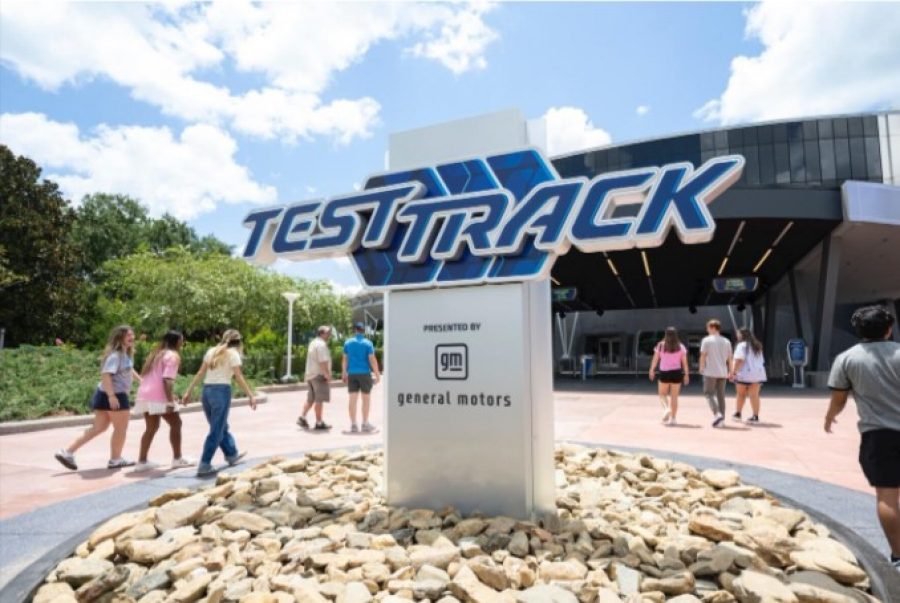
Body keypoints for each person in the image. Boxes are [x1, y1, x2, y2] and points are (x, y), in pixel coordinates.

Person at [824, 305, 900, 570]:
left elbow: (839, 399)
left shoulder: (846, 359)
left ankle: (899, 557)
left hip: (879, 436)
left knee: (887, 498)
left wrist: (829, 417)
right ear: (889, 329)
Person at [55, 325, 142, 470]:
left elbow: (129, 368)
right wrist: (112, 396)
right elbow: (106, 374)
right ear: (120, 338)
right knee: (121, 428)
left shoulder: (124, 354)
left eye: (132, 335)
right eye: (128, 336)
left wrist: (140, 380)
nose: (132, 338)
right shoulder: (116, 355)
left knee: (99, 428)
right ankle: (115, 459)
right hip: (115, 396)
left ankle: (67, 452)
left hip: (105, 394)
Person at [182, 330, 256, 477]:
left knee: (221, 426)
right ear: (239, 342)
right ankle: (204, 464)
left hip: (207, 391)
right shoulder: (233, 353)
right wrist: (250, 395)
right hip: (221, 392)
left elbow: (200, 372)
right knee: (216, 429)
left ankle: (231, 454)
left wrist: (188, 391)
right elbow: (239, 376)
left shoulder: (212, 351)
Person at [133, 330, 194, 471]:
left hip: (145, 394)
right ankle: (177, 459)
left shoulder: (156, 354)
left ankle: (142, 462)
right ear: (177, 342)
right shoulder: (173, 356)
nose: (182, 343)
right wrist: (170, 401)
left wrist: (171, 397)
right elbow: (167, 380)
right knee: (176, 423)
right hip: (158, 397)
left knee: (151, 428)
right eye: (182, 340)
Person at [342, 322, 381, 432]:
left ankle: (354, 425)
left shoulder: (348, 343)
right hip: (364, 373)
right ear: (363, 331)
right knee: (366, 400)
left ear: (355, 330)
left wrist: (344, 372)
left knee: (352, 400)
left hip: (352, 374)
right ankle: (365, 424)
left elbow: (345, 359)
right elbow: (372, 360)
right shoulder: (368, 343)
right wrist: (377, 374)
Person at [648, 327, 689, 425]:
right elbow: (685, 362)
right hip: (677, 372)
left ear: (665, 334)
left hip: (664, 372)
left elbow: (655, 359)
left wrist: (652, 370)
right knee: (674, 397)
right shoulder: (680, 346)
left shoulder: (661, 346)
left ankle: (666, 409)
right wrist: (686, 374)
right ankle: (673, 419)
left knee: (662, 394)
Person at [298, 326, 333, 431]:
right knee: (319, 399)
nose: (329, 335)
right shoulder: (321, 345)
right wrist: (327, 375)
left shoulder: (313, 342)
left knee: (311, 399)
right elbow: (322, 362)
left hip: (310, 375)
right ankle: (319, 422)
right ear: (321, 333)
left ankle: (302, 417)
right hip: (319, 375)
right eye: (327, 333)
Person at [699, 319, 733, 428]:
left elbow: (703, 355)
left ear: (713, 327)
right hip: (723, 372)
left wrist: (701, 367)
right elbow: (730, 359)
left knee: (708, 393)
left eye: (708, 328)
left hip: (710, 372)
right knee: (721, 396)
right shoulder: (726, 341)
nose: (707, 330)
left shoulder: (706, 340)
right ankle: (722, 420)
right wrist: (731, 371)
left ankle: (717, 414)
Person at [730, 328, 767, 424]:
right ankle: (755, 416)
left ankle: (738, 413)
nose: (737, 336)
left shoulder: (741, 345)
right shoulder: (757, 345)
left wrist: (733, 372)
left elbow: (739, 360)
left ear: (742, 335)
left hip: (744, 373)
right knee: (754, 395)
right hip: (757, 373)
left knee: (740, 394)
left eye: (738, 334)